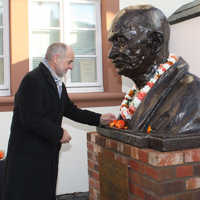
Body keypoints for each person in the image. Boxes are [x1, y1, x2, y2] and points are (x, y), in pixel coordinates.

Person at [2, 43, 116, 200]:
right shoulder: (32, 79)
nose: (71, 67)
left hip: (45, 156)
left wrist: (99, 119)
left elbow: (71, 110)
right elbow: (30, 118)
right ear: (56, 58)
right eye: (69, 62)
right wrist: (59, 133)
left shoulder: (58, 84)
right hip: (28, 159)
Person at [108, 5, 200, 134]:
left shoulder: (192, 96)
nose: (111, 54)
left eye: (121, 41)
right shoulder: (136, 95)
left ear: (155, 42)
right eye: (113, 43)